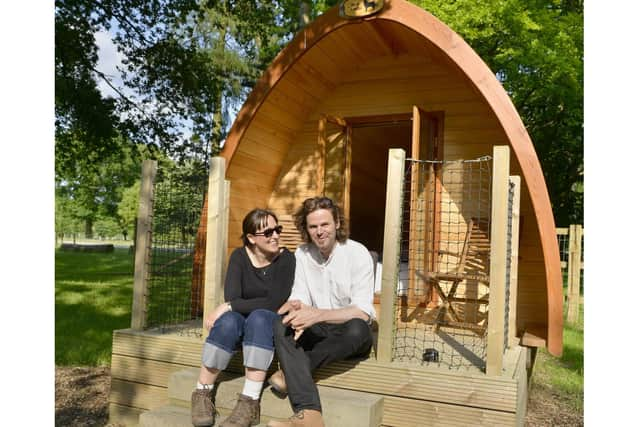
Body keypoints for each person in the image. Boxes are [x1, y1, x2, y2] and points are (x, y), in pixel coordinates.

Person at [266, 197, 376, 427]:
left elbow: (363, 311)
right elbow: (301, 295)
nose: (319, 232)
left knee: (358, 329)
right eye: (313, 226)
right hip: (318, 330)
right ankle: (310, 413)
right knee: (281, 323)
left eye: (324, 224)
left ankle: (290, 373)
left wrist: (317, 314)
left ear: (336, 223)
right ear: (306, 229)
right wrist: (294, 307)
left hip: (348, 333)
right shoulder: (303, 254)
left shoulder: (358, 253)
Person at [191, 208, 295, 427]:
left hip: (267, 326)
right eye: (267, 232)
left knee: (258, 317)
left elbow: (274, 303)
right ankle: (202, 392)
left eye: (277, 229)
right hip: (239, 325)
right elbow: (233, 295)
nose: (275, 235)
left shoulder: (287, 259)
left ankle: (249, 401)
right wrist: (231, 306)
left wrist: (228, 306)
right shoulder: (239, 255)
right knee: (228, 321)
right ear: (251, 238)